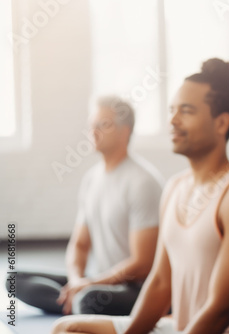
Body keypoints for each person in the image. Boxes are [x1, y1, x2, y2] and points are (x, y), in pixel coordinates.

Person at [52, 58, 229, 334]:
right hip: (177, 327)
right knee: (66, 329)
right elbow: (160, 283)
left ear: (221, 123)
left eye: (186, 111)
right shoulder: (175, 187)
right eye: (172, 110)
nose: (173, 120)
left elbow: (220, 309)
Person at [11, 96, 163, 315]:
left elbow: (143, 263)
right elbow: (80, 244)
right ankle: (76, 300)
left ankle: (79, 302)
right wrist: (77, 281)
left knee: (90, 299)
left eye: (103, 125)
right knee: (15, 280)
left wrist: (91, 285)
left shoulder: (143, 182)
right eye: (93, 125)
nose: (94, 131)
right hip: (96, 280)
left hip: (132, 288)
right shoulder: (92, 179)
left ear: (125, 131)